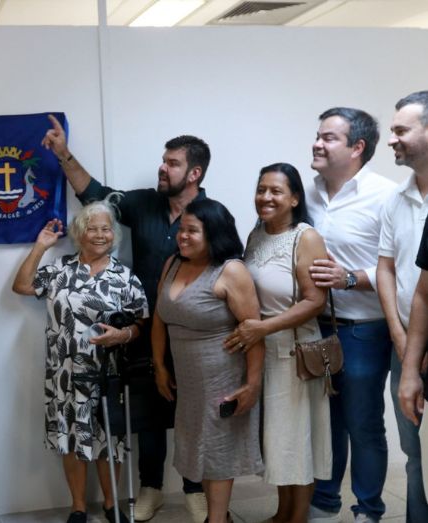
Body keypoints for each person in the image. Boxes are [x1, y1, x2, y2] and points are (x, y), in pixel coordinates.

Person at [43, 114, 209, 521]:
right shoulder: (143, 203)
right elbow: (94, 194)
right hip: (146, 330)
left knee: (194, 413)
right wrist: (64, 154)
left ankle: (195, 488)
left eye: (172, 163)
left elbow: (227, 263)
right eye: (163, 160)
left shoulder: (211, 213)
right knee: (150, 414)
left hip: (195, 332)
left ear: (194, 172)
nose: (162, 167)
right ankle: (151, 488)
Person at [12, 202, 149, 523]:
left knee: (108, 439)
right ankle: (77, 506)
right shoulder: (60, 268)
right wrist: (40, 247)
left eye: (106, 228)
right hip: (64, 373)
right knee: (70, 436)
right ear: (79, 233)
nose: (100, 235)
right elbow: (21, 286)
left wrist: (123, 335)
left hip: (107, 373)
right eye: (92, 228)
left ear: (113, 234)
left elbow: (143, 322)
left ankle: (111, 503)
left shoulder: (124, 277)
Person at [226, 163, 331, 523]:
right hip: (262, 350)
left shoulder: (306, 237)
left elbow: (314, 301)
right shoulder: (256, 234)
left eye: (275, 191)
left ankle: (297, 516)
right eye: (261, 189)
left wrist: (263, 328)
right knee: (277, 440)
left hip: (295, 353)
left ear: (294, 198)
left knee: (296, 441)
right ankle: (282, 511)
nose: (265, 197)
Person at [306, 107, 397, 523]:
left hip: (365, 331)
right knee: (325, 423)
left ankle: (369, 510)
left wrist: (348, 278)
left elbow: (400, 270)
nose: (317, 143)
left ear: (357, 147)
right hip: (313, 327)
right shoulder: (306, 192)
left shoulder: (387, 195)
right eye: (318, 135)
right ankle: (324, 503)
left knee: (362, 424)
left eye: (329, 138)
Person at [152, 198, 264, 523]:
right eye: (180, 229)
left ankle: (216, 519)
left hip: (223, 376)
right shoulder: (173, 263)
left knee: (218, 451)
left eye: (192, 231)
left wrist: (251, 384)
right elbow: (160, 318)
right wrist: (159, 366)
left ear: (213, 233)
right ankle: (220, 518)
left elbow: (253, 332)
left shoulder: (231, 271)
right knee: (196, 449)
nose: (181, 236)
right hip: (187, 380)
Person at [380, 90, 428, 521]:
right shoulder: (396, 199)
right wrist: (400, 334)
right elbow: (386, 269)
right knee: (413, 452)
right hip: (407, 341)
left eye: (400, 130)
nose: (392, 139)